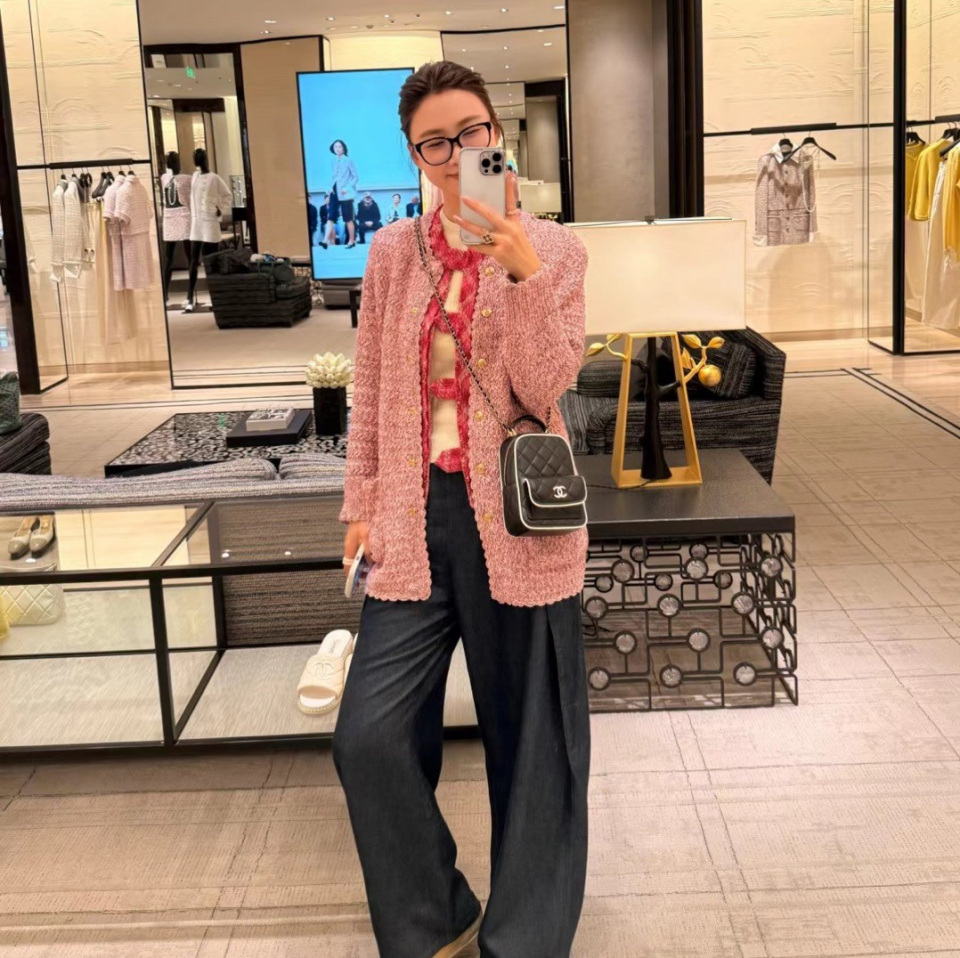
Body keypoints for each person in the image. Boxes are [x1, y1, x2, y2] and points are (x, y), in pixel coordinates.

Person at [333, 59, 590, 958]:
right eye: (433, 143)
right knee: (368, 736)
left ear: (496, 134)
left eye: (469, 132)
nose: (454, 154)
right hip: (413, 522)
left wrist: (521, 274)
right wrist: (361, 504)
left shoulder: (556, 250)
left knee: (535, 744)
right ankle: (433, 917)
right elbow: (370, 388)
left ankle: (524, 938)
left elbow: (545, 388)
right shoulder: (388, 254)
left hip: (515, 524)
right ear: (414, 155)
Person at [325, 139, 359, 248]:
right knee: (331, 215)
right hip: (334, 191)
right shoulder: (333, 161)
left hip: (345, 192)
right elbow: (332, 177)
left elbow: (356, 177)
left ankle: (351, 241)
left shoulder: (348, 160)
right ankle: (325, 241)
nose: (337, 149)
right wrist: (329, 188)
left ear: (343, 148)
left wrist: (348, 188)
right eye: (335, 147)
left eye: (339, 147)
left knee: (348, 218)